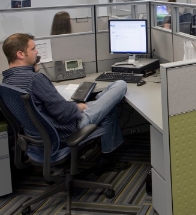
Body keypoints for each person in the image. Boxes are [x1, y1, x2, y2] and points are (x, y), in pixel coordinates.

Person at [2, 33, 130, 172]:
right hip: (66, 130)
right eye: (33, 49)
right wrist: (79, 107)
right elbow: (65, 113)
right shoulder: (34, 79)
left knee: (107, 108)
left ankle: (108, 157)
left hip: (39, 139)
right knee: (120, 85)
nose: (37, 51)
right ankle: (107, 158)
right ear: (21, 54)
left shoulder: (7, 82)